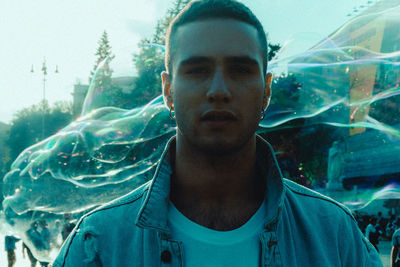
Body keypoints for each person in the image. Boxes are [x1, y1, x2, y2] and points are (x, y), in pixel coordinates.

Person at [54, 0, 382, 266]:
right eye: (198, 70)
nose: (219, 90)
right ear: (168, 91)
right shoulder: (96, 246)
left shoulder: (336, 235)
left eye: (240, 70)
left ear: (266, 90)